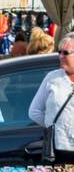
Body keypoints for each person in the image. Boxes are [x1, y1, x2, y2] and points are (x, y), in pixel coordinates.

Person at [28, 33, 74, 164]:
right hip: (59, 151)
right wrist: (56, 127)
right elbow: (34, 112)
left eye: (66, 53)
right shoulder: (52, 78)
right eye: (59, 52)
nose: (61, 56)